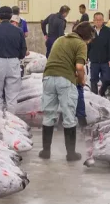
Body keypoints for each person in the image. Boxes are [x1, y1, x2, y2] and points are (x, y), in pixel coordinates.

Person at [40, 22, 94, 161]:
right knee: (69, 116)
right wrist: (82, 80)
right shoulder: (81, 44)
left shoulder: (60, 39)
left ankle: (46, 151)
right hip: (65, 80)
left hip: (48, 78)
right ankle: (71, 154)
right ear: (87, 36)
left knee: (49, 114)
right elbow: (79, 67)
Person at [0, 6, 27, 113]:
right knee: (12, 97)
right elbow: (23, 51)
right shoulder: (18, 31)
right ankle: (11, 124)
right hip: (13, 62)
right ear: (11, 16)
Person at [87, 12, 110, 97]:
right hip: (94, 60)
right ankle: (95, 97)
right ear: (93, 21)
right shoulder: (90, 31)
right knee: (93, 80)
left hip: (105, 60)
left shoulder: (108, 31)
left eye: (100, 20)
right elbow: (87, 45)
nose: (98, 22)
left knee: (107, 79)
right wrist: (85, 57)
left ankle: (102, 92)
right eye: (96, 20)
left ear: (103, 20)